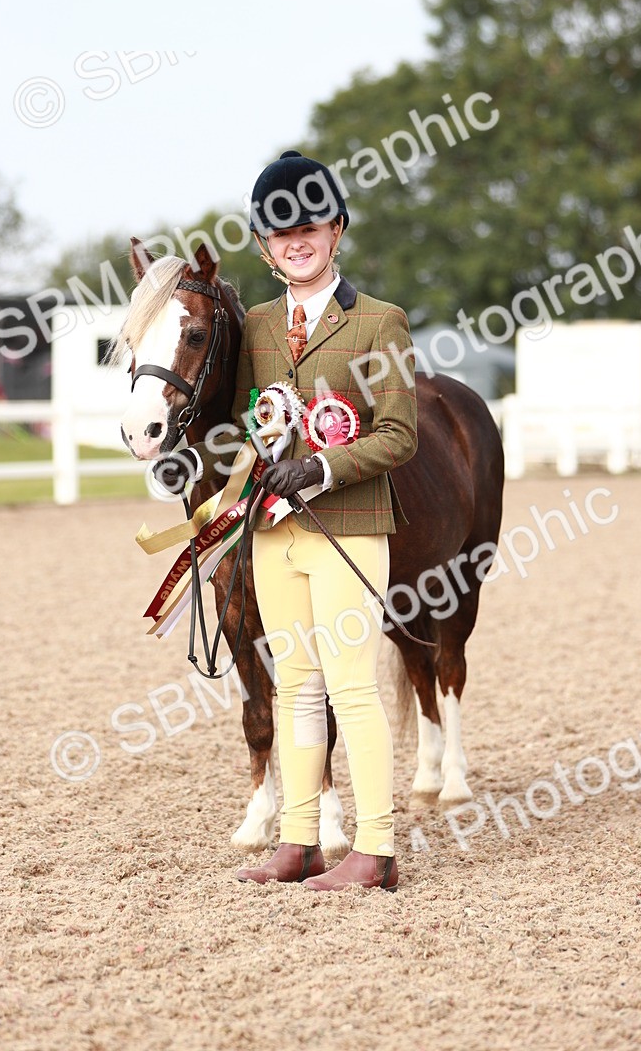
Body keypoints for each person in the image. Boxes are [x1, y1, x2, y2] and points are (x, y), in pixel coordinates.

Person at [162, 150, 418, 891]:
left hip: (348, 526)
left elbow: (399, 434)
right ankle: (299, 840)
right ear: (266, 248)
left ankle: (374, 849)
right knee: (295, 685)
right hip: (273, 531)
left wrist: (323, 466)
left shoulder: (380, 323)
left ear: (337, 230)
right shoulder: (263, 326)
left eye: (309, 226)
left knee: (352, 686)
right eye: (280, 233)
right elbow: (246, 424)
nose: (296, 240)